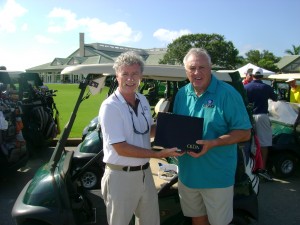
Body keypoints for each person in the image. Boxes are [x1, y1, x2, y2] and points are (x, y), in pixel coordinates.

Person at [99, 51, 182, 225]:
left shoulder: (142, 99)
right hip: (120, 176)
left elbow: (148, 130)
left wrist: (177, 130)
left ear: (141, 76)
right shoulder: (110, 106)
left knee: (151, 221)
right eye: (125, 74)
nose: (130, 79)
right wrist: (158, 155)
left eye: (135, 74)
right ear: (117, 76)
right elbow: (120, 147)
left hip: (145, 173)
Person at [173, 48, 252, 225]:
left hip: (217, 177)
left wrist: (213, 143)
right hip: (188, 176)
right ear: (186, 71)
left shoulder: (228, 94)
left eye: (202, 67)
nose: (197, 72)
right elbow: (179, 128)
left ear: (210, 69)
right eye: (192, 68)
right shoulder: (181, 94)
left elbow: (245, 132)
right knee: (197, 219)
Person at [244, 68, 278, 179]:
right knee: (264, 143)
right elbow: (275, 98)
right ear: (262, 76)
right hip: (262, 116)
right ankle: (262, 169)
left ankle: (249, 167)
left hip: (248, 117)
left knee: (248, 142)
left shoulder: (246, 87)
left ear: (252, 75)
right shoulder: (267, 87)